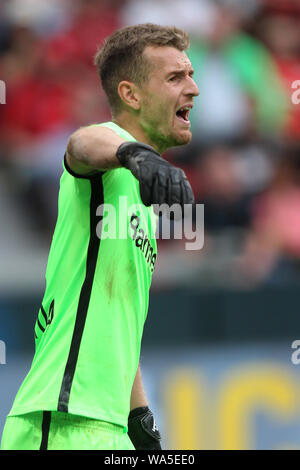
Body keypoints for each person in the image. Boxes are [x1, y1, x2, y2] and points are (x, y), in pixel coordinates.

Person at [0, 23, 199, 451]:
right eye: (175, 77)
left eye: (191, 74)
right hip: (63, 418)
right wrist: (134, 154)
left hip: (106, 424)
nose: (194, 88)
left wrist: (141, 420)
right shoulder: (112, 158)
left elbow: (117, 320)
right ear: (131, 94)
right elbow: (80, 143)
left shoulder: (142, 198)